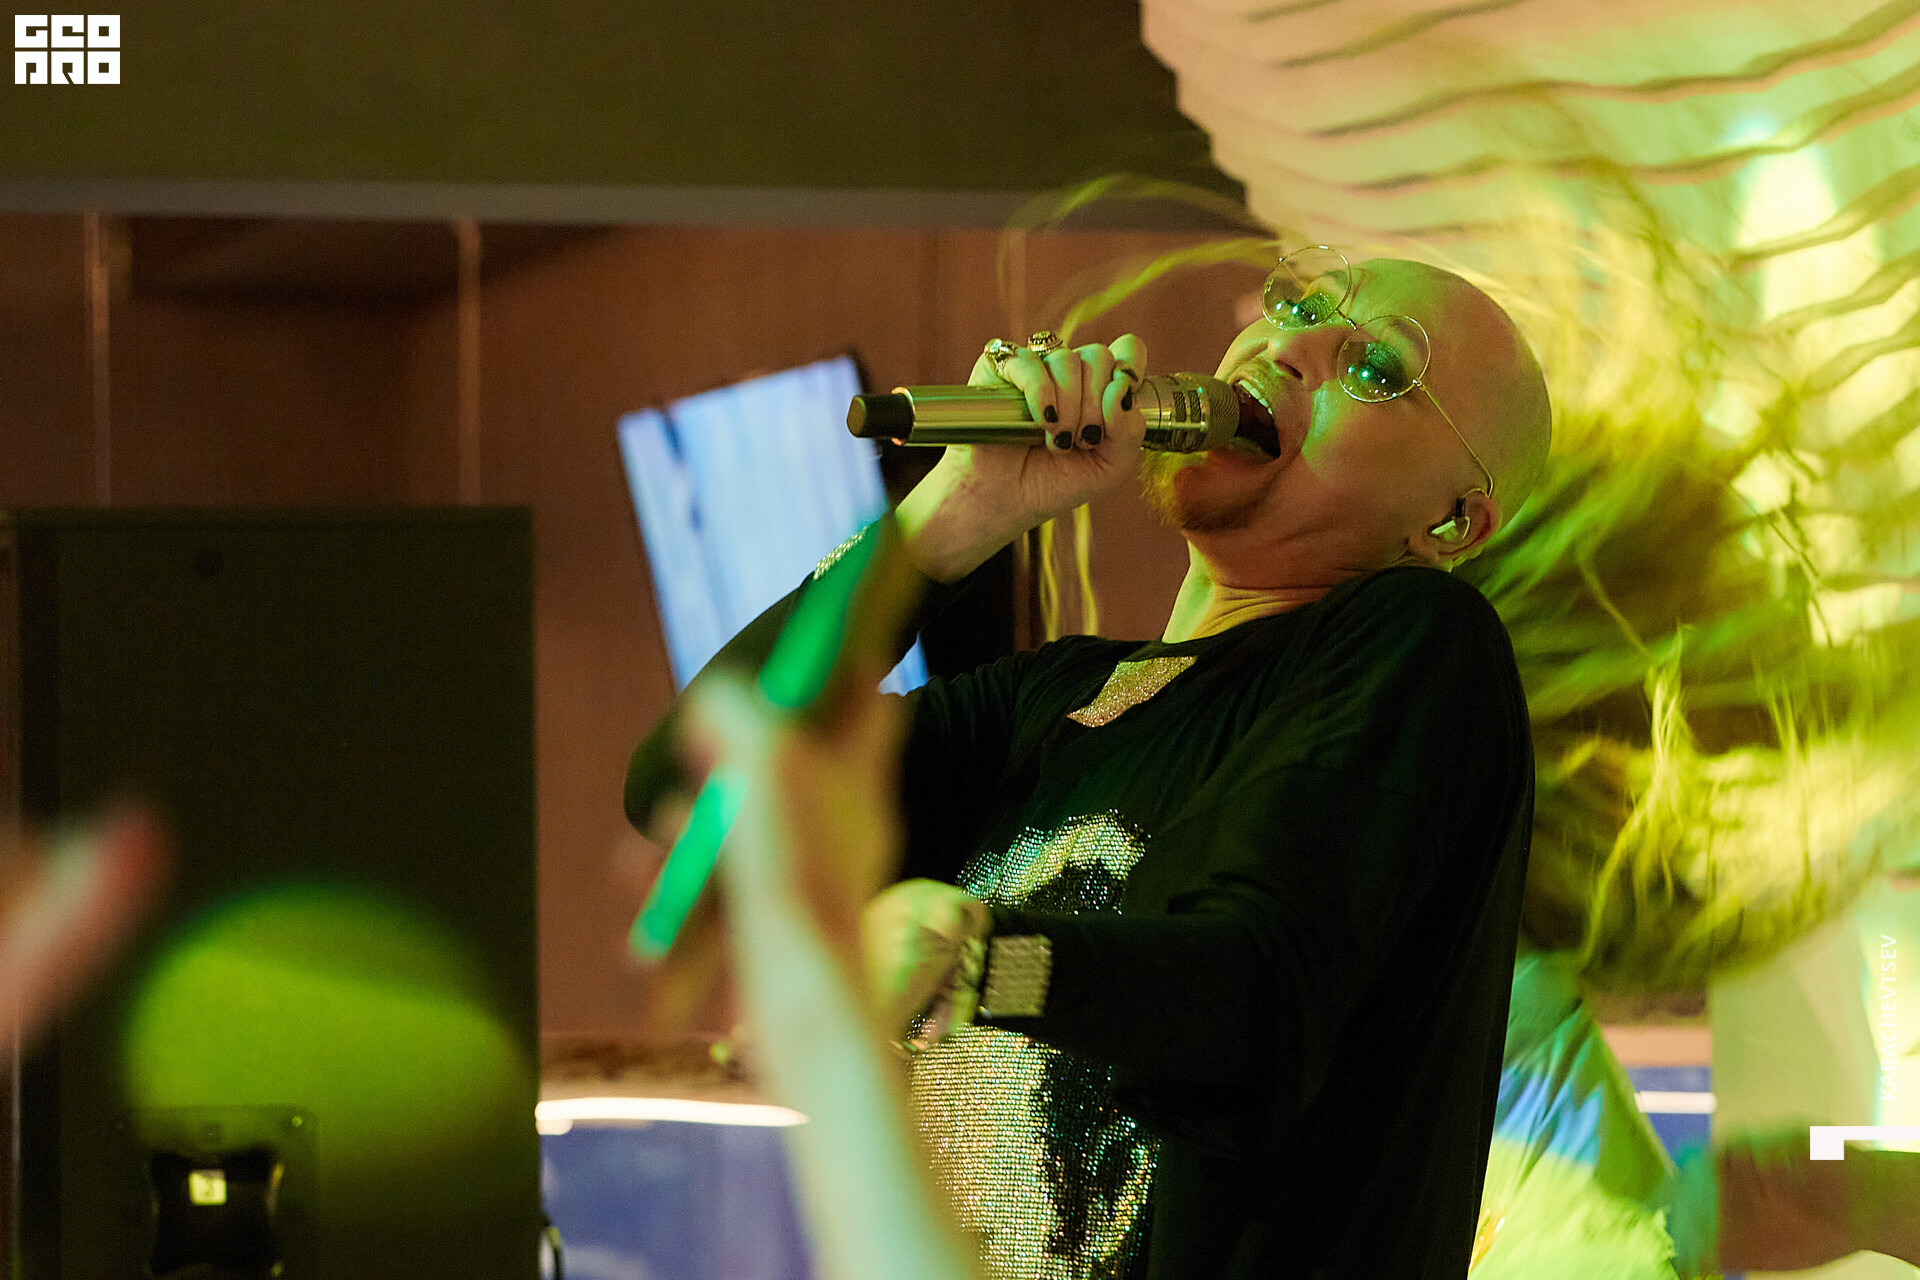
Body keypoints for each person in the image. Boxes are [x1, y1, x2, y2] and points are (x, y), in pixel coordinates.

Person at [628, 246, 1554, 1280]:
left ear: (1450, 521)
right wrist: (960, 509)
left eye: (1376, 368)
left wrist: (979, 961)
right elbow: (696, 785)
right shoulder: (1049, 700)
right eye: (1299, 306)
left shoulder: (1420, 642)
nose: (1292, 345)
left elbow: (1250, 999)